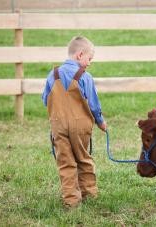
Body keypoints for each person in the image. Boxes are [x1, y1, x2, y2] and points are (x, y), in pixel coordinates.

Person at [42, 36, 107, 208]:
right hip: (80, 126)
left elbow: (45, 99)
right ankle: (89, 194)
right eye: (89, 58)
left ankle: (71, 200)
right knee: (83, 158)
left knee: (65, 162)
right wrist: (100, 122)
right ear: (80, 55)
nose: (90, 63)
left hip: (58, 125)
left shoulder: (52, 74)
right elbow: (93, 104)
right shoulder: (85, 77)